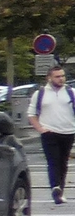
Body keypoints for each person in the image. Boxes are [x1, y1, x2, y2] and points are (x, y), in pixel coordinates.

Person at [31, 65, 75, 203]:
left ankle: (59, 189)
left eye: (62, 76)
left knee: (63, 162)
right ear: (49, 78)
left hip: (68, 131)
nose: (61, 79)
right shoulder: (40, 94)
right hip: (49, 132)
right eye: (57, 76)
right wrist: (40, 128)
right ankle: (55, 188)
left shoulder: (71, 92)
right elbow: (31, 114)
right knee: (53, 160)